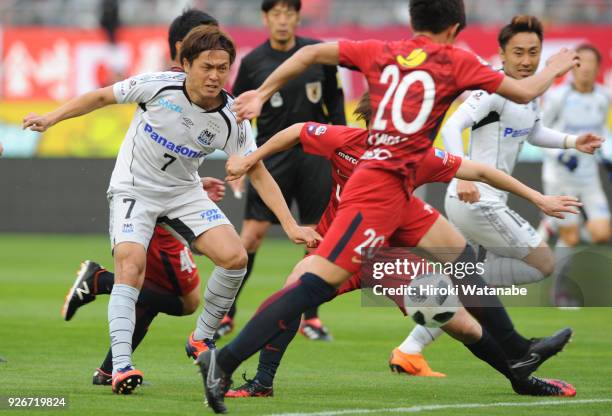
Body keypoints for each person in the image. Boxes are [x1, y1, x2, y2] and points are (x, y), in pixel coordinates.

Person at [197, 0, 582, 411]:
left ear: (413, 21)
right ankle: (227, 362)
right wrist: (556, 66)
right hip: (378, 193)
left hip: (396, 211)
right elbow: (524, 91)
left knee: (459, 259)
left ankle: (518, 355)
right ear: (455, 29)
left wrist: (263, 93)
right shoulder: (454, 61)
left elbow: (309, 53)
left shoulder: (382, 52)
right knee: (309, 286)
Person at [218, 92, 579, 397]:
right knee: (293, 289)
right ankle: (262, 381)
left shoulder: (416, 158)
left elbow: (480, 171)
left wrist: (538, 198)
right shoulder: (345, 142)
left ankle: (520, 377)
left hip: (387, 259)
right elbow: (297, 131)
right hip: (335, 250)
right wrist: (251, 158)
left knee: (462, 325)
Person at [23, 25, 320, 395]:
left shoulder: (231, 116)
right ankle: (120, 366)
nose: (214, 76)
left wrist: (290, 225)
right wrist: (51, 118)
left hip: (183, 192)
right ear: (185, 64)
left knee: (235, 257)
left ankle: (201, 338)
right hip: (134, 189)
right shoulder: (158, 86)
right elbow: (101, 97)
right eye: (206, 67)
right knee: (131, 265)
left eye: (222, 68)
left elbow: (255, 169)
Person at [395, 15, 603, 375]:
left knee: (475, 282)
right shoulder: (492, 88)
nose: (526, 60)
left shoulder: (529, 92)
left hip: (487, 201)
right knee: (543, 265)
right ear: (502, 55)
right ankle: (457, 285)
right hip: (476, 198)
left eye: (533, 52)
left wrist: (572, 141)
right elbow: (454, 125)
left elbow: (534, 132)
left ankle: (410, 349)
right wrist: (459, 173)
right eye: (518, 52)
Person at [60, 9, 227, 387]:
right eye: (207, 42)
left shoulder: (204, 92)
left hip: (172, 198)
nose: (216, 57)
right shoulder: (165, 85)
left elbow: (175, 152)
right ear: (184, 50)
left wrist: (196, 185)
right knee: (174, 296)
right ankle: (102, 290)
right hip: (147, 202)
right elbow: (114, 105)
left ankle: (111, 366)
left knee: (169, 295)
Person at [220, 0, 346, 342]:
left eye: (288, 13)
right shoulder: (253, 62)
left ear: (296, 17)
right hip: (272, 158)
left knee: (316, 236)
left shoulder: (316, 54)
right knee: (251, 236)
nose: (282, 20)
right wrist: (241, 160)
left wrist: (343, 148)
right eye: (275, 14)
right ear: (265, 18)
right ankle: (226, 313)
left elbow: (334, 100)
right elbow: (238, 112)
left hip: (315, 157)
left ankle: (311, 318)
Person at [540, 44, 611, 306]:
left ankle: (551, 224)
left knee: (601, 233)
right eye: (581, 62)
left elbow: (601, 129)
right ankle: (559, 291)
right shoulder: (558, 97)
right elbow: (539, 131)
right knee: (570, 237)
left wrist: (607, 155)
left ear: (598, 67)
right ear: (573, 66)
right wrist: (560, 154)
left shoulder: (603, 97)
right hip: (561, 177)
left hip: (589, 177)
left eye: (592, 62)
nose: (587, 68)